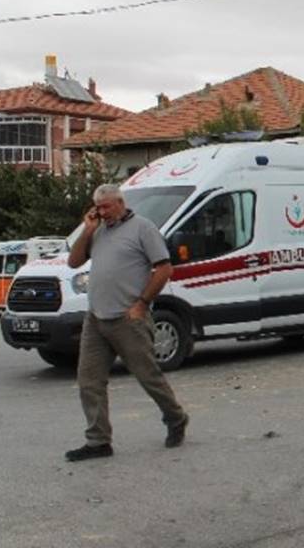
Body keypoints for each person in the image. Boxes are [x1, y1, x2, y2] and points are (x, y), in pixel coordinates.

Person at [64, 184, 188, 462]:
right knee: (89, 381)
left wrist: (142, 304)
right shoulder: (98, 231)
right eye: (98, 207)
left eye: (107, 206)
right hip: (96, 317)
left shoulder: (143, 228)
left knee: (148, 376)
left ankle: (175, 417)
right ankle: (98, 441)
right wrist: (87, 230)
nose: (102, 212)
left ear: (121, 203)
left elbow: (164, 268)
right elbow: (73, 262)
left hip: (127, 318)